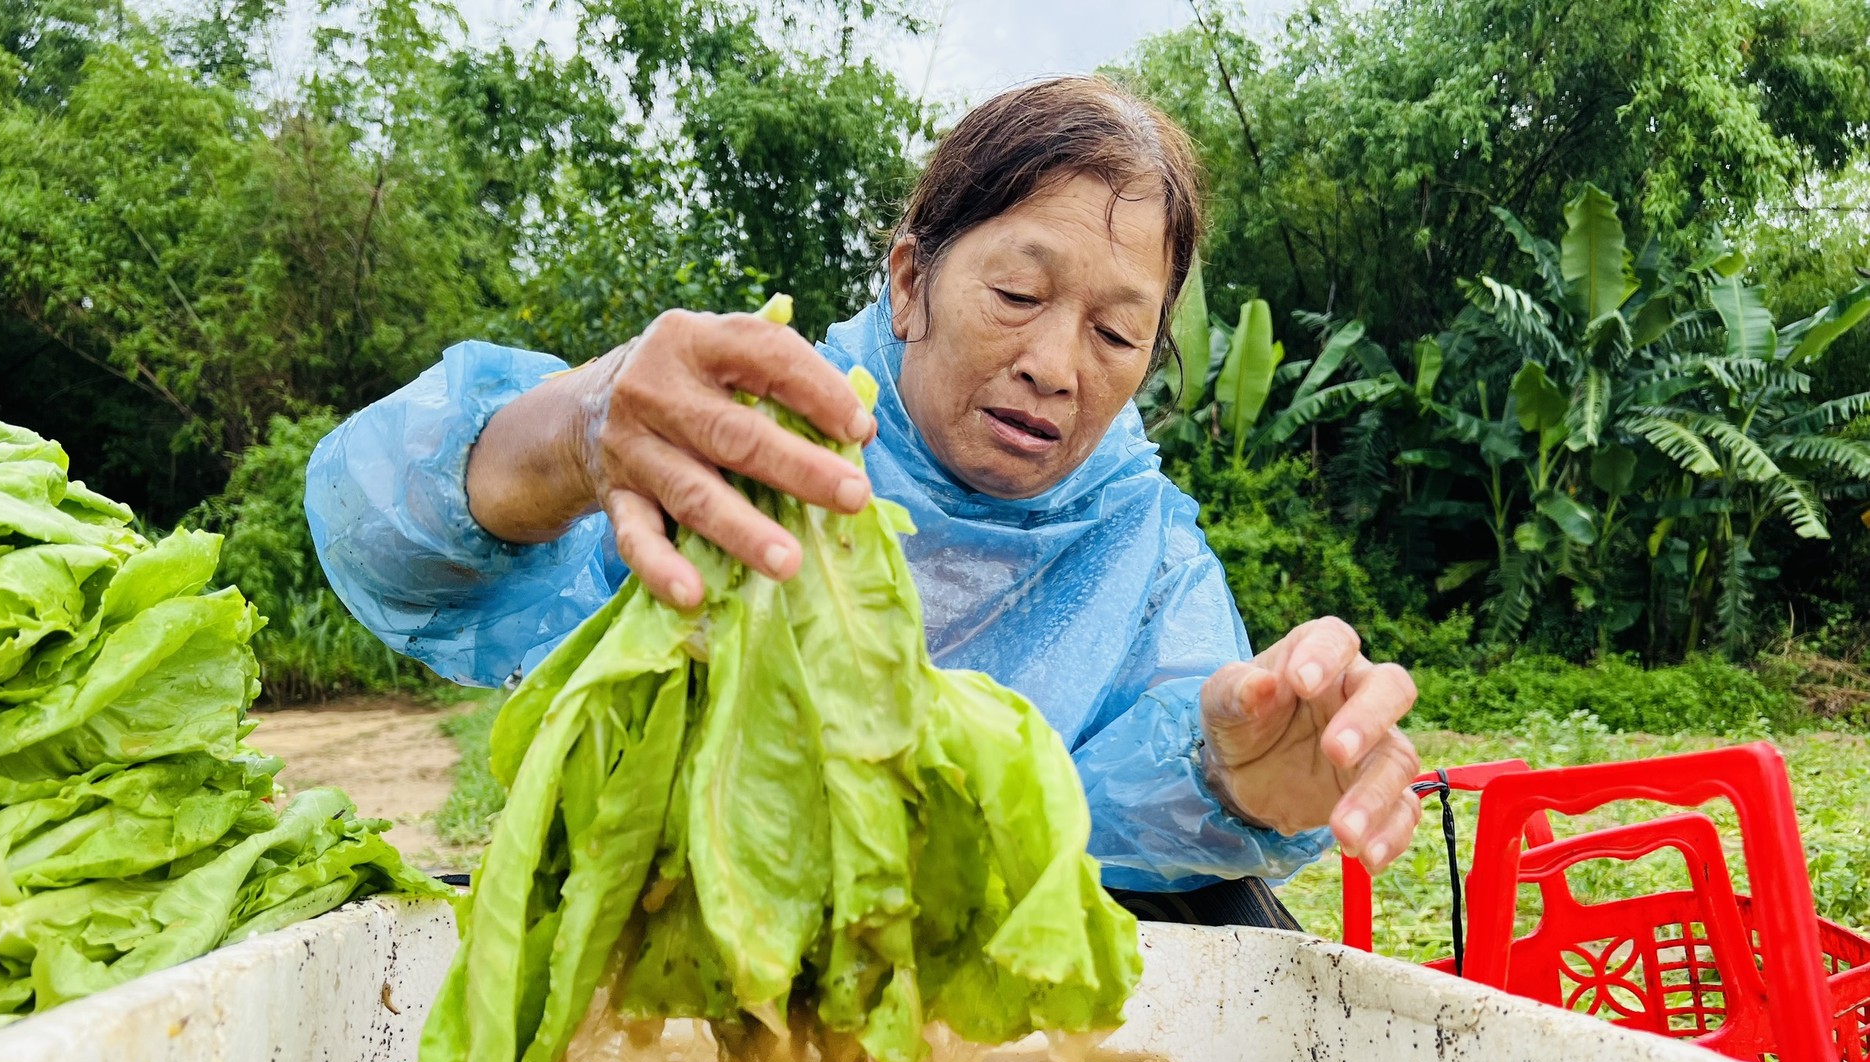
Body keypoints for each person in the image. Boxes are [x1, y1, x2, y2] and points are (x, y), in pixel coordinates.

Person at [306, 76, 1424, 927]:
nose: (1053, 366)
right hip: (676, 950)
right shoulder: (735, 430)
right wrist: (574, 432)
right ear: (908, 280)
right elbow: (384, 539)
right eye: (1017, 293)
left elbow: (1137, 801)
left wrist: (1239, 783)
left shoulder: (1145, 551)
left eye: (1117, 332)